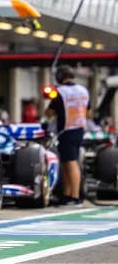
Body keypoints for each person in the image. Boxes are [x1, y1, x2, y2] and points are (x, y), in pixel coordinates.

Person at [47, 65, 90, 206]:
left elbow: (50, 112)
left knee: (71, 163)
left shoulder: (61, 92)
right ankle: (66, 194)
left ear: (60, 77)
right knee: (66, 162)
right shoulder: (83, 90)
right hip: (79, 129)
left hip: (66, 130)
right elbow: (89, 112)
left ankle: (75, 196)